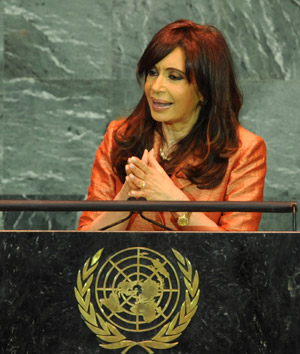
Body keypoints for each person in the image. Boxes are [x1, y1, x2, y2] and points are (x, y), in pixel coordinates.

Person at [77, 19, 267, 232]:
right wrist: (126, 199)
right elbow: (85, 244)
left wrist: (173, 200)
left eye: (174, 77)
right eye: (153, 73)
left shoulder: (244, 151)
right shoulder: (119, 135)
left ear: (205, 90)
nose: (156, 87)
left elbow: (239, 253)